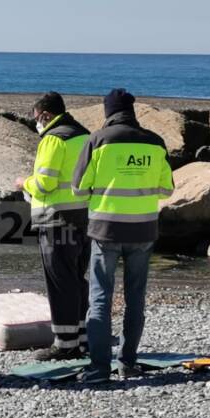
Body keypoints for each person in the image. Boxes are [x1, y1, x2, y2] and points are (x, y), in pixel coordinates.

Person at [71, 89, 174, 383]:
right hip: (143, 229)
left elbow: (78, 187)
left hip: (106, 230)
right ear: (132, 110)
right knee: (135, 299)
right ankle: (128, 363)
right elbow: (167, 189)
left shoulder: (97, 141)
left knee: (100, 298)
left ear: (108, 111)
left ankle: (99, 367)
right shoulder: (155, 142)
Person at [15, 92, 91, 361]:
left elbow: (45, 182)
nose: (36, 123)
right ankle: (81, 339)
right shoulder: (84, 135)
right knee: (77, 279)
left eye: (36, 119)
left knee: (60, 283)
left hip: (56, 219)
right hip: (83, 217)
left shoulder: (53, 139)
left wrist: (24, 183)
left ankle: (65, 343)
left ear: (45, 115)